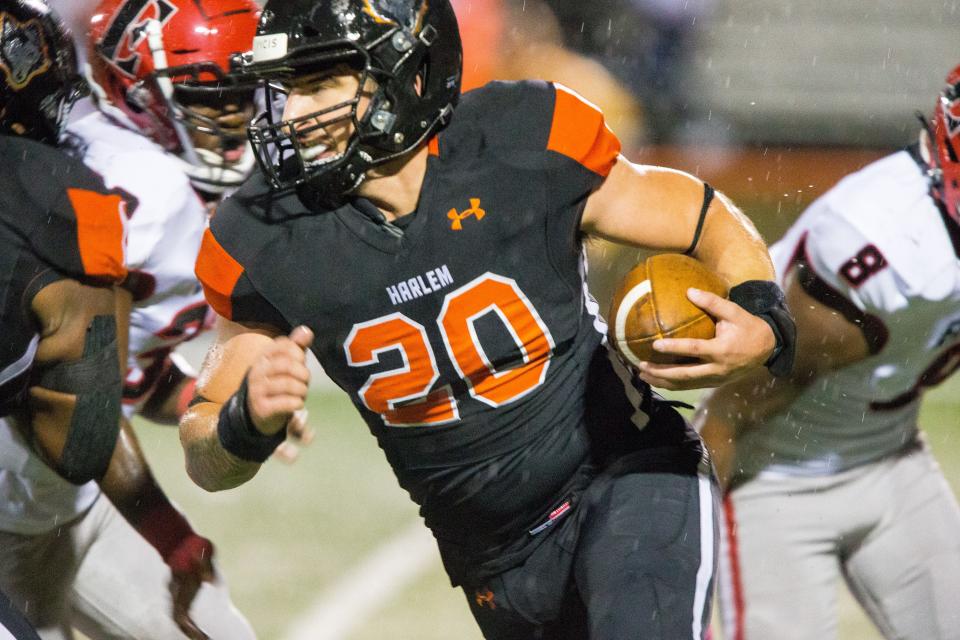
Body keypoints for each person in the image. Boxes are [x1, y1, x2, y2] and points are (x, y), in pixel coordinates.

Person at [181, 0, 795, 637]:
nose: (294, 115)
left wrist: (761, 312)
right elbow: (204, 452)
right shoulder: (262, 234)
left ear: (406, 75)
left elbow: (703, 217)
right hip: (493, 560)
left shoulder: (516, 139)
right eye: (286, 90)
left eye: (319, 85)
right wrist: (243, 424)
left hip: (625, 476)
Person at [0, 1, 254, 638]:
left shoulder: (123, 169)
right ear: (137, 92)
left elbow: (118, 371)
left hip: (69, 494)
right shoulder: (125, 193)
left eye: (246, 90)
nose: (239, 114)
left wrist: (211, 398)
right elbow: (79, 398)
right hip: (20, 504)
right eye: (214, 95)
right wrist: (169, 534)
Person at [698, 65, 960, 640]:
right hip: (775, 482)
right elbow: (728, 414)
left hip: (893, 461)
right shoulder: (882, 243)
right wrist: (682, 575)